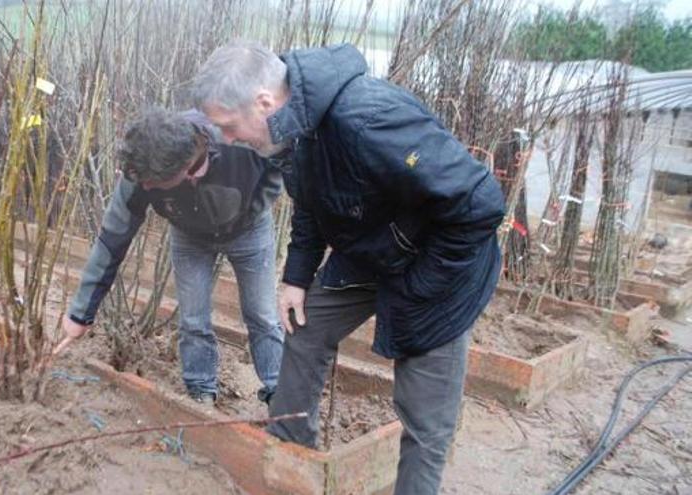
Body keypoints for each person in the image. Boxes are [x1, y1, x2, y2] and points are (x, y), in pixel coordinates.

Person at [192, 41, 506, 493]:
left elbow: (480, 204)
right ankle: (291, 458)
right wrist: (297, 278)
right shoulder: (294, 128)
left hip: (440, 268)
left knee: (424, 418)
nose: (227, 139)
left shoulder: (366, 119)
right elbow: (310, 203)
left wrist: (418, 290)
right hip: (376, 249)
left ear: (263, 103)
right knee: (305, 329)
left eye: (228, 125)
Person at [57, 107, 284, 406]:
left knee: (262, 315)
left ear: (187, 171)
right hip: (190, 237)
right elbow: (112, 239)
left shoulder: (237, 139)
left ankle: (281, 394)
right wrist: (80, 313)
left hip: (249, 231)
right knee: (192, 317)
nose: (147, 188)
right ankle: (200, 391)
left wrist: (252, 208)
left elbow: (280, 164)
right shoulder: (141, 171)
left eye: (154, 183)